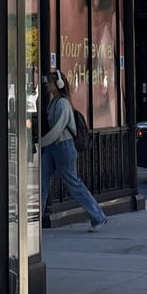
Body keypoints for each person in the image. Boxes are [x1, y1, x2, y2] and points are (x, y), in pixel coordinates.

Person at [38, 70, 108, 231]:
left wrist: (41, 143)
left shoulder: (62, 103)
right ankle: (38, 218)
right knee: (42, 180)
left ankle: (98, 216)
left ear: (59, 84)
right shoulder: (53, 101)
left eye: (50, 82)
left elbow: (58, 128)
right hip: (53, 146)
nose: (47, 85)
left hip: (63, 146)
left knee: (73, 182)